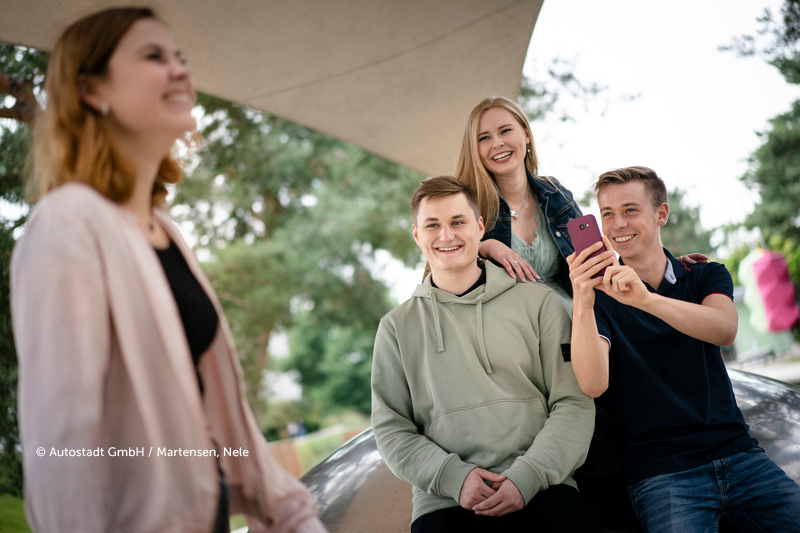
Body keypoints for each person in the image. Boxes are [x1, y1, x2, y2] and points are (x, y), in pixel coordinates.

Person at [10, 8, 326, 533]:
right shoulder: (65, 225)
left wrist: (293, 516)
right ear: (91, 90)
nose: (182, 70)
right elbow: (61, 449)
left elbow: (227, 419)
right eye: (154, 56)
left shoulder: (165, 230)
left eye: (181, 57)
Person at [567, 166, 800, 532]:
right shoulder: (598, 300)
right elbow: (593, 384)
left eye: (630, 210)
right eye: (606, 214)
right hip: (663, 474)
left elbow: (724, 329)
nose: (616, 224)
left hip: (739, 454)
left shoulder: (706, 275)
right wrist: (581, 301)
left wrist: (646, 301)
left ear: (661, 214)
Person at [371, 175, 595, 532]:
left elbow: (574, 402)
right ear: (417, 235)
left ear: (479, 227)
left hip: (544, 487)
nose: (446, 236)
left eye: (457, 222)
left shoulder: (539, 303)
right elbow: (391, 430)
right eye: (433, 225)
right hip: (443, 502)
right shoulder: (396, 328)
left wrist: (528, 475)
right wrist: (454, 478)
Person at [454, 97, 706, 312]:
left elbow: (595, 260)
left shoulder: (555, 194)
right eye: (484, 138)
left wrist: (658, 265)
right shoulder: (466, 204)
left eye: (505, 131)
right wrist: (484, 246)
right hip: (507, 333)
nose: (497, 143)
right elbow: (441, 273)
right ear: (474, 149)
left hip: (568, 326)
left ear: (527, 134)